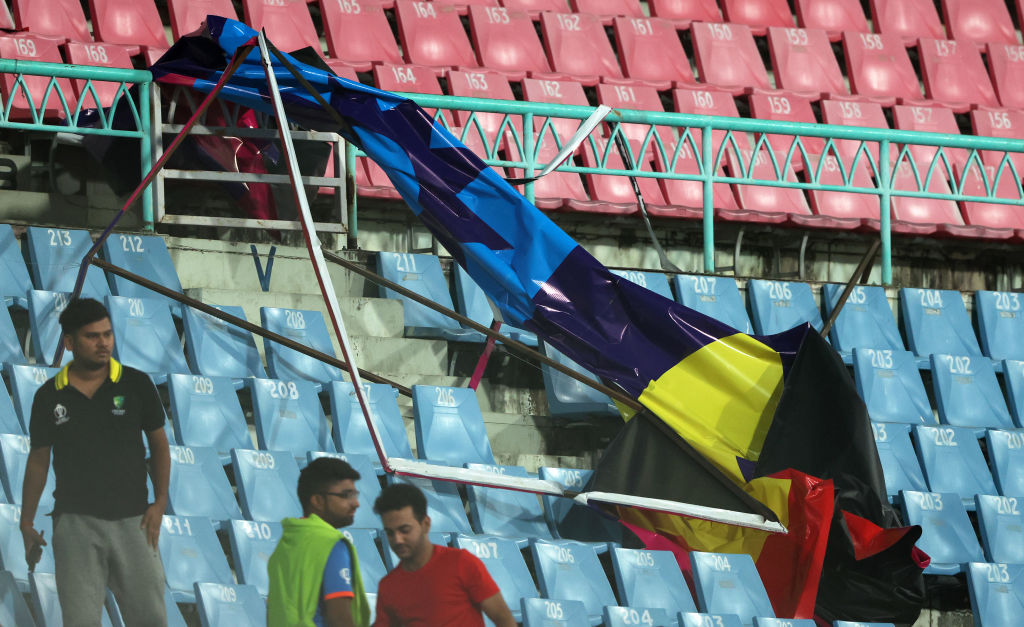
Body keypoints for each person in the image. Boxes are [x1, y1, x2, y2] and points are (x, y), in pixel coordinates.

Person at [20, 297, 169, 626]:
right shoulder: (48, 396)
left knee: (151, 620)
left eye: (107, 334)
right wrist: (26, 521)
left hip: (135, 522)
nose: (103, 343)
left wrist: (159, 502)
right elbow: (38, 461)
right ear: (70, 342)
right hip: (74, 525)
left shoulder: (136, 384)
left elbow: (159, 446)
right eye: (92, 336)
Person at [372, 483, 516, 627]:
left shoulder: (462, 564)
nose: (397, 539)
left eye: (405, 530)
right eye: (390, 533)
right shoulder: (388, 587)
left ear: (426, 524)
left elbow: (504, 619)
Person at [268, 456, 371, 627]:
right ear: (317, 501)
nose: (356, 503)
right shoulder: (331, 544)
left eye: (355, 494)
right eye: (346, 495)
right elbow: (339, 618)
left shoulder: (286, 543)